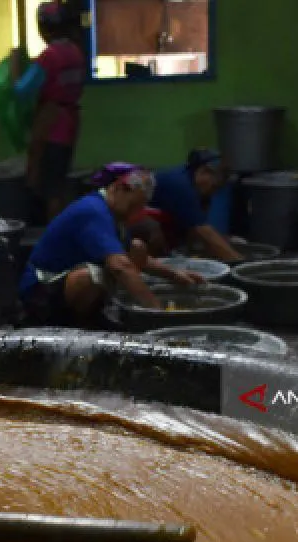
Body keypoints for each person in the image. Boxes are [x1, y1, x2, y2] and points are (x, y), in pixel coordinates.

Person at [19, 163, 207, 328]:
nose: (135, 213)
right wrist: (157, 312)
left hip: (62, 282)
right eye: (133, 206)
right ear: (119, 188)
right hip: (41, 293)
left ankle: (98, 313)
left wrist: (174, 274)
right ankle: (75, 324)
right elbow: (120, 266)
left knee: (136, 247)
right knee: (90, 277)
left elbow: (133, 255)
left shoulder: (114, 215)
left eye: (140, 207)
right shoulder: (93, 211)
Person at [15, 2, 85, 222]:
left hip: (51, 124)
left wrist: (15, 68)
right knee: (59, 182)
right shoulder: (76, 53)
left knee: (48, 187)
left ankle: (52, 231)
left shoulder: (50, 56)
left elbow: (22, 90)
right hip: (71, 122)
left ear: (43, 28)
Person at [128, 149, 244, 262]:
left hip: (163, 220)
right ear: (203, 172)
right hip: (132, 221)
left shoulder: (198, 185)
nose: (213, 192)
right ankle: (153, 263)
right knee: (152, 230)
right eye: (214, 187)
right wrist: (236, 260)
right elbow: (203, 230)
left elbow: (196, 223)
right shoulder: (181, 185)